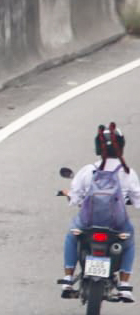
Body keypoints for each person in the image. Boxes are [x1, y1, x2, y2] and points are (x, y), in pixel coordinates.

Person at [61, 123, 140, 301]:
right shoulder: (128, 173)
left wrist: (67, 194)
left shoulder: (89, 170)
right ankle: (124, 284)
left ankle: (67, 278)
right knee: (129, 239)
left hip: (88, 223)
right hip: (116, 226)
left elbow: (75, 198)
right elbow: (138, 201)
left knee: (72, 235)